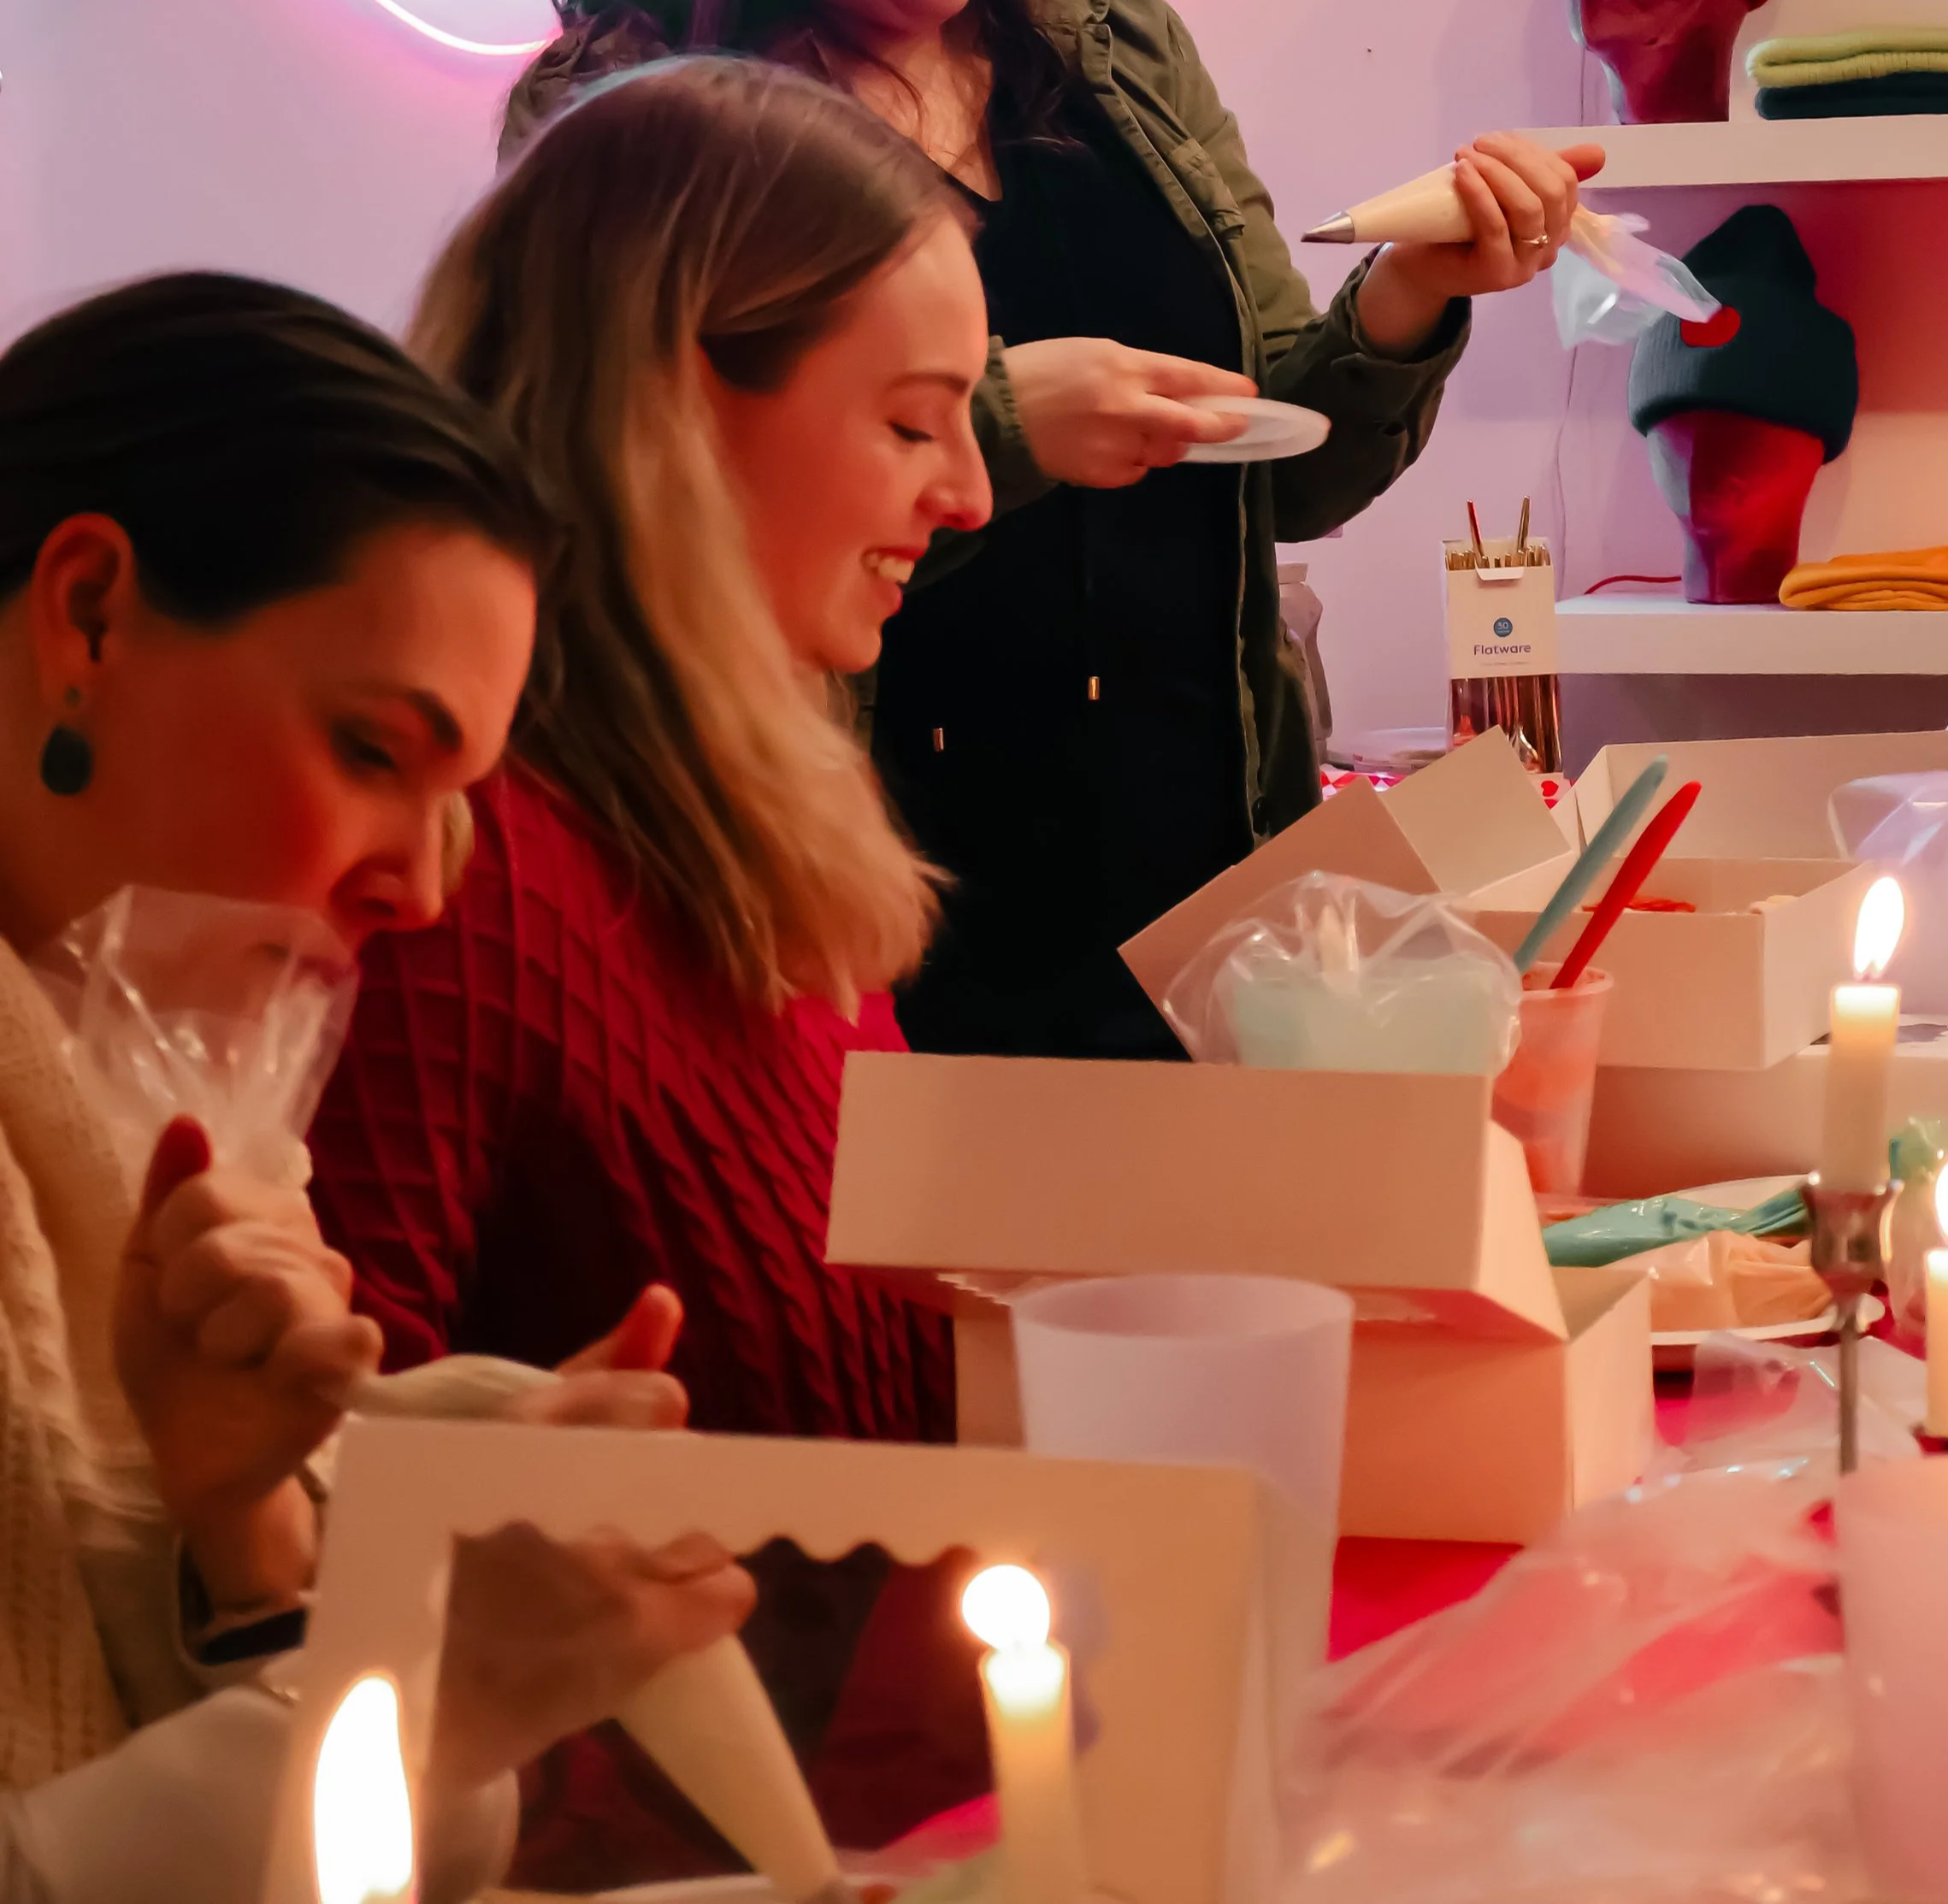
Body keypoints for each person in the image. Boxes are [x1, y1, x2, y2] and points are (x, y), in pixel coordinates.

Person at [304, 58, 996, 1889]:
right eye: (915, 421)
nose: (974, 494)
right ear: (683, 401)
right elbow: (315, 1566)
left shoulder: (769, 819)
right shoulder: (473, 876)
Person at [0, 272, 757, 1904]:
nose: (422, 887)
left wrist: (250, 1532)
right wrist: (421, 1688)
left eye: (459, 795)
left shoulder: (174, 1107)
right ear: (89, 620)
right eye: (369, 751)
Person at [516, 0, 1604, 1058]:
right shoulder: (633, 103)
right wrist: (995, 424)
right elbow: (655, 521)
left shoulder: (1114, 41)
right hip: (863, 890)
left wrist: (1409, 292)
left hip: (1198, 891)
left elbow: (1286, 468)